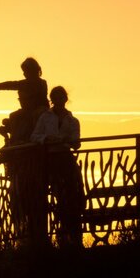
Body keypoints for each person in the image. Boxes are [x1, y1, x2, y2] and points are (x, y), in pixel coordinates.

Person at [31, 86, 85, 248]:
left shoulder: (72, 120)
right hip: (50, 159)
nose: (58, 100)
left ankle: (72, 234)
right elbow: (35, 136)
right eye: (55, 98)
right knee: (54, 194)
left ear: (65, 99)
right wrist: (46, 139)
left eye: (61, 97)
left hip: (65, 158)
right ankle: (58, 234)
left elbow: (76, 142)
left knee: (72, 193)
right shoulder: (45, 117)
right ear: (52, 100)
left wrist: (69, 141)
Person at [0, 57, 49, 145]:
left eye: (26, 71)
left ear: (34, 71)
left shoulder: (40, 83)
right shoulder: (24, 84)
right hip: (27, 110)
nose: (24, 74)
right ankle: (15, 140)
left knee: (35, 116)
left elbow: (12, 84)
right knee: (13, 116)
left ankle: (28, 138)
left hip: (38, 110)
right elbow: (11, 84)